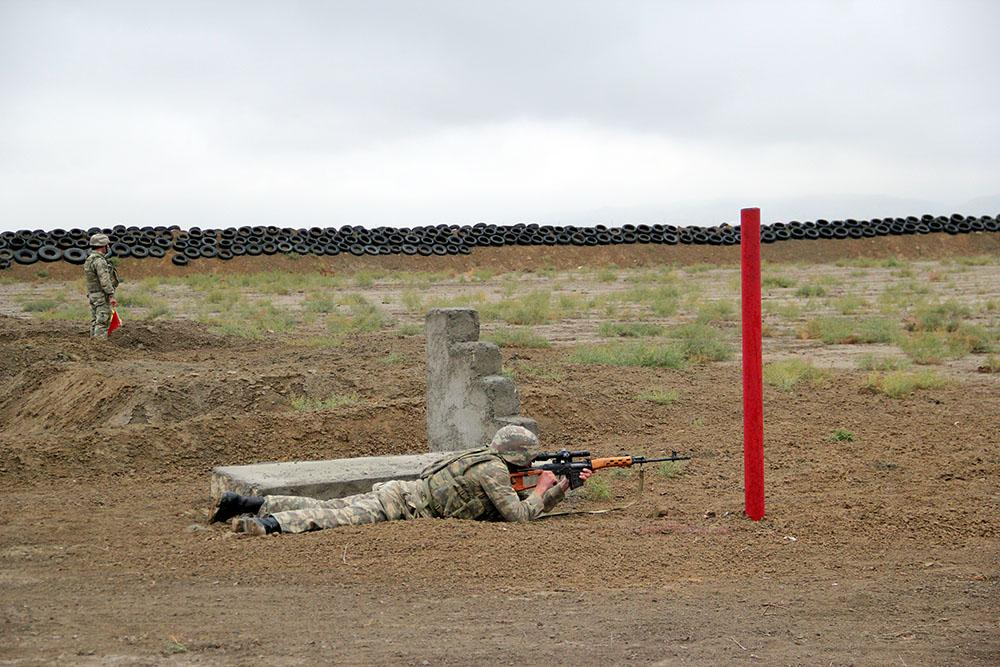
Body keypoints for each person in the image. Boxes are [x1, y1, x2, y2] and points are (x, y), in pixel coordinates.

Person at [211, 424, 592, 536]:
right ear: (519, 458)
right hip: (404, 507)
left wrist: (558, 488)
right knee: (333, 518)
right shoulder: (494, 471)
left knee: (330, 505)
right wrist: (545, 491)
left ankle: (249, 504)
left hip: (400, 492)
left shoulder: (480, 456)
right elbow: (519, 518)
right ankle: (268, 524)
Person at [83, 233, 119, 339]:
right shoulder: (99, 261)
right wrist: (111, 295)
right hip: (101, 296)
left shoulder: (89, 259)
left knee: (95, 321)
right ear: (104, 246)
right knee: (102, 323)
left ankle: (93, 346)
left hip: (93, 295)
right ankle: (99, 347)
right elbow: (104, 280)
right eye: (107, 245)